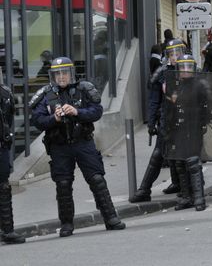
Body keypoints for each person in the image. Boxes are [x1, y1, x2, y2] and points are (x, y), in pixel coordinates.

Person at [29, 57, 125, 237]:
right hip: (59, 146)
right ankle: (66, 224)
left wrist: (77, 112)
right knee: (63, 184)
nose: (61, 77)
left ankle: (111, 218)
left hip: (83, 142)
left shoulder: (83, 89)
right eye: (57, 74)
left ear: (70, 73)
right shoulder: (45, 94)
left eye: (64, 73)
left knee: (97, 179)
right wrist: (54, 119)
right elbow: (37, 120)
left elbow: (97, 111)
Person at [129, 39, 186, 203]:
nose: (175, 56)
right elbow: (154, 100)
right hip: (167, 119)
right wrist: (152, 122)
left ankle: (183, 186)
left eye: (178, 53)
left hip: (186, 119)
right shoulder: (161, 72)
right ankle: (144, 189)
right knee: (159, 154)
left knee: (185, 154)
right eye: (171, 53)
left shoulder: (190, 68)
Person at [164, 55, 211, 212]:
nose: (185, 70)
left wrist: (201, 125)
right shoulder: (176, 85)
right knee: (179, 162)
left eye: (188, 67)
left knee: (192, 161)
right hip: (178, 129)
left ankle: (199, 197)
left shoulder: (199, 86)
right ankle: (186, 196)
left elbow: (205, 108)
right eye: (182, 67)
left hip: (193, 127)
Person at [0, 75, 25, 244]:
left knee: (3, 187)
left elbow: (8, 120)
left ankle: (8, 230)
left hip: (0, 147)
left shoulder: (5, 93)